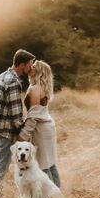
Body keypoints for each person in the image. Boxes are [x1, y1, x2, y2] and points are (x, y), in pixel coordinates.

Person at [0, 49, 35, 189]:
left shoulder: (3, 75)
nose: (31, 67)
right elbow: (15, 113)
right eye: (30, 64)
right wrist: (22, 129)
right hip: (6, 132)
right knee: (1, 167)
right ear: (22, 64)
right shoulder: (13, 81)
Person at [18, 60, 61, 188]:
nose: (31, 67)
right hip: (47, 126)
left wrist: (23, 136)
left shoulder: (36, 88)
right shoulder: (40, 87)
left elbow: (34, 115)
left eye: (34, 67)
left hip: (41, 129)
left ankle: (50, 197)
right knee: (50, 162)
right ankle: (57, 195)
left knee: (43, 163)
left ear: (39, 71)